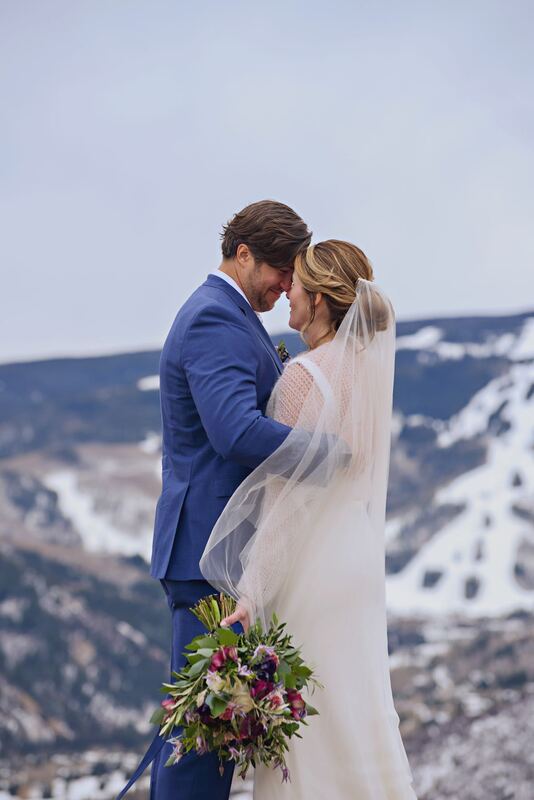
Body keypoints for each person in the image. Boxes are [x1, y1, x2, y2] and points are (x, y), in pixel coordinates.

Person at [201, 240, 418, 799]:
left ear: (318, 299)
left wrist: (251, 592)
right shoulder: (370, 379)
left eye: (295, 285)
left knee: (309, 728)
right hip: (357, 562)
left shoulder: (302, 378)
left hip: (313, 569)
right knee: (359, 709)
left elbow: (285, 504)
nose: (286, 294)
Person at [116, 200, 311, 800]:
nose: (286, 285)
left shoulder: (230, 315)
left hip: (219, 550)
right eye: (279, 268)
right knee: (202, 737)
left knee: (215, 730)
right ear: (243, 253)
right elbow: (236, 431)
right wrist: (330, 454)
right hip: (210, 555)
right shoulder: (213, 319)